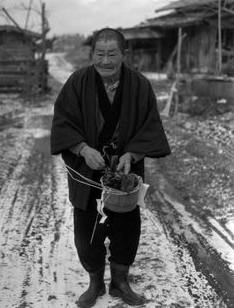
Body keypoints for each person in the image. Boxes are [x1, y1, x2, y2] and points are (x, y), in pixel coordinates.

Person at [50, 28, 171, 307]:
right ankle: (95, 284)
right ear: (92, 53)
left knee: (127, 228)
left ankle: (120, 284)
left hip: (126, 172)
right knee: (87, 231)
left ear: (123, 55)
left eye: (111, 54)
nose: (105, 60)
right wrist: (82, 148)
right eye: (99, 54)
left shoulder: (139, 85)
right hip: (89, 169)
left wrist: (134, 152)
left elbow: (150, 125)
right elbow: (63, 122)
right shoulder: (78, 82)